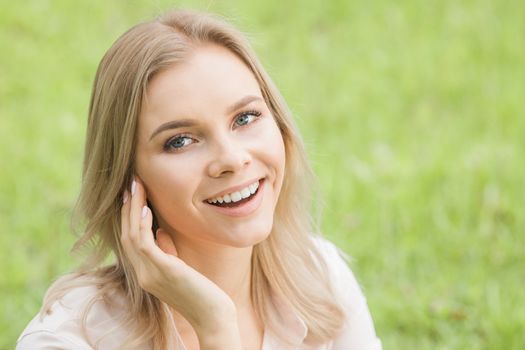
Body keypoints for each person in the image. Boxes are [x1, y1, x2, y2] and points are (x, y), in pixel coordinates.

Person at [16, 9, 381, 350]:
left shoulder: (320, 277)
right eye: (180, 141)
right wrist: (216, 327)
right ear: (128, 178)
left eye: (245, 118)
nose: (232, 159)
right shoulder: (68, 340)